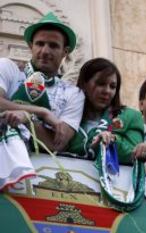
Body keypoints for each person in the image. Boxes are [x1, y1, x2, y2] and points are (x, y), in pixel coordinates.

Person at [0, 12, 84, 151]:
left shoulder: (73, 93)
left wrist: (28, 118)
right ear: (30, 46)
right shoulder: (8, 68)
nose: (45, 51)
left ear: (65, 52)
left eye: (53, 45)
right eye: (40, 44)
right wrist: (42, 112)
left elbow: (56, 144)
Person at [66, 58, 144, 163]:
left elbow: (134, 155)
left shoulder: (131, 116)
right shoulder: (67, 114)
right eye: (101, 84)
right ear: (84, 83)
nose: (107, 91)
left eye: (112, 86)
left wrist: (112, 141)